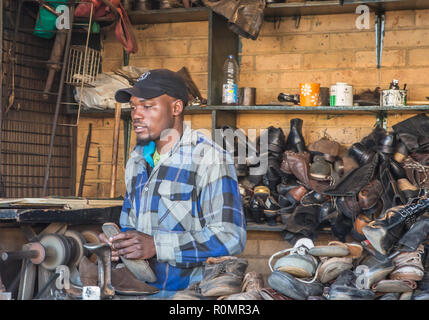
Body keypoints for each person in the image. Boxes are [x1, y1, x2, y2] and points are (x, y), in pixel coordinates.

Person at [99, 69, 246, 298]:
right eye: (134, 107)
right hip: (136, 290)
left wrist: (157, 245)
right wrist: (119, 243)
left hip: (187, 293)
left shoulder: (208, 158)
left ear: (176, 108)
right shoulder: (137, 159)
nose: (137, 114)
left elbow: (230, 237)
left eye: (147, 106)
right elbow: (130, 226)